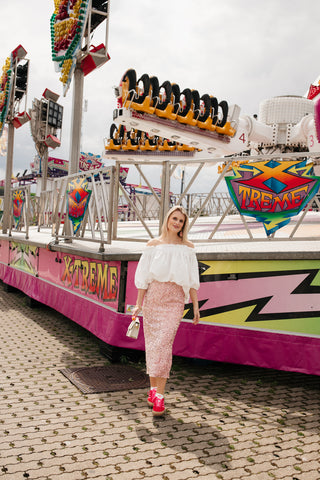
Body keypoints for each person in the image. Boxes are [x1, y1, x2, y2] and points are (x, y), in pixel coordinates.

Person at [132, 205, 200, 416]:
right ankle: (154, 392)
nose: (177, 223)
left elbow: (192, 280)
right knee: (154, 345)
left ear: (183, 225)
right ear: (168, 219)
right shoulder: (153, 245)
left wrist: (196, 307)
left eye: (181, 220)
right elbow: (143, 277)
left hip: (175, 299)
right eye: (174, 218)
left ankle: (159, 395)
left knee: (163, 342)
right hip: (154, 297)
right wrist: (138, 304)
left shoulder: (188, 247)